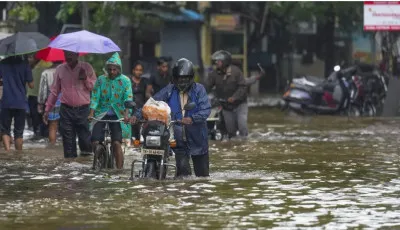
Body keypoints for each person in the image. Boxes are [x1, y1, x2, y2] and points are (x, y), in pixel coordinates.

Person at [130, 58, 211, 177]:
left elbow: (206, 110)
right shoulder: (169, 89)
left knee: (202, 177)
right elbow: (152, 103)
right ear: (174, 78)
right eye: (179, 78)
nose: (182, 81)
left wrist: (192, 118)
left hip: (197, 139)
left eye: (185, 78)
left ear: (191, 78)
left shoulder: (199, 90)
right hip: (178, 140)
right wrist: (136, 116)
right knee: (184, 177)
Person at [43, 51, 96, 158]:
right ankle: (69, 170)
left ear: (77, 55)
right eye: (66, 54)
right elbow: (54, 91)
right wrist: (47, 110)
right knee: (68, 142)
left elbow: (94, 88)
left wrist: (85, 78)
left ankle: (85, 168)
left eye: (71, 54)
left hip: (83, 110)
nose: (68, 56)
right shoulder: (60, 69)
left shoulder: (87, 67)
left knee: (85, 140)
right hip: (66, 110)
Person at [89, 53, 133, 169]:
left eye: (114, 69)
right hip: (101, 114)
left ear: (119, 69)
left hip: (119, 114)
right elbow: (95, 97)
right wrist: (91, 113)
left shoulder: (125, 81)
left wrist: (127, 115)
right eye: (110, 69)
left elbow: (128, 98)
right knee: (94, 141)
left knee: (116, 143)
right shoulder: (101, 80)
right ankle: (100, 158)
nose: (112, 72)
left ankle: (119, 170)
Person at [207, 50, 248, 140]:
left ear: (225, 62)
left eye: (219, 61)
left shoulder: (236, 72)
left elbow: (243, 87)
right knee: (230, 131)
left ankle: (244, 143)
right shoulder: (214, 74)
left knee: (242, 126)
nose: (216, 63)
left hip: (240, 104)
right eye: (216, 61)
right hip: (225, 105)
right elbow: (207, 86)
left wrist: (234, 97)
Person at [0, 56, 34, 151]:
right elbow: (31, 85)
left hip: (6, 101)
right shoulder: (25, 64)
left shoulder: (3, 63)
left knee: (5, 129)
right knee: (19, 132)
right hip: (20, 102)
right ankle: (19, 154)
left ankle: (8, 151)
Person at [38, 61, 63, 145]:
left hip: (52, 100)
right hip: (66, 100)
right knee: (67, 126)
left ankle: (52, 146)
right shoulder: (66, 71)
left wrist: (40, 103)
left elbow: (42, 91)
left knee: (52, 126)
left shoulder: (46, 73)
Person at [26, 56, 51, 138]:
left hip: (42, 96)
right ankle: (39, 135)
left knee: (41, 119)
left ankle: (41, 135)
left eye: (32, 57)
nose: (31, 58)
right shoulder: (30, 66)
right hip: (33, 96)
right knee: (36, 119)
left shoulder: (46, 64)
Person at [130, 61, 152, 142]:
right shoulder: (128, 81)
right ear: (133, 70)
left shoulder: (145, 82)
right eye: (136, 70)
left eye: (140, 70)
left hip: (141, 108)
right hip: (130, 108)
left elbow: (147, 94)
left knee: (141, 132)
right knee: (132, 132)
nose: (138, 72)